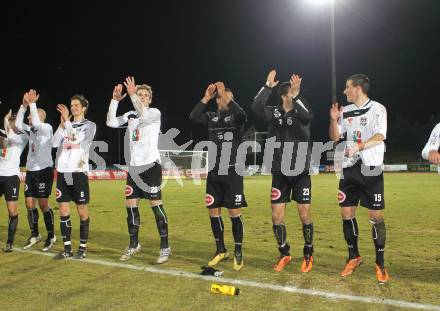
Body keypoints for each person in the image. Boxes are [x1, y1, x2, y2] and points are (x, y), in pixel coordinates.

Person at [329, 73, 389, 283]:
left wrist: (358, 147)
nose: (344, 91)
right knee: (346, 212)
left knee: (375, 216)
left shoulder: (378, 109)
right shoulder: (345, 111)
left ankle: (380, 262)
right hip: (349, 168)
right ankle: (354, 256)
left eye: (347, 87)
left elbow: (380, 136)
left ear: (358, 88)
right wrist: (334, 120)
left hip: (371, 168)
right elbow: (336, 138)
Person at [252, 70, 314, 273]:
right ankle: (284, 252)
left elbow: (308, 115)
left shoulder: (300, 111)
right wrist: (267, 86)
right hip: (279, 172)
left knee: (304, 214)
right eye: (291, 94)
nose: (294, 96)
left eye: (295, 94)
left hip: (300, 172)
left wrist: (297, 95)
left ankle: (308, 252)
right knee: (276, 216)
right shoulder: (275, 112)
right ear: (283, 96)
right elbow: (255, 107)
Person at [107, 77, 171, 264]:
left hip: (151, 166)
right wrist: (114, 101)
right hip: (134, 169)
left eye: (145, 95)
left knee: (155, 205)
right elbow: (111, 122)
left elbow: (143, 113)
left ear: (150, 99)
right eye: (140, 95)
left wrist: (133, 94)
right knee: (131, 207)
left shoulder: (154, 113)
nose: (142, 97)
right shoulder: (130, 115)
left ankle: (165, 246)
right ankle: (134, 244)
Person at [189, 82, 247, 271]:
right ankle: (220, 249)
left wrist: (226, 95)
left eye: (225, 96)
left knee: (234, 213)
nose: (221, 98)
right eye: (220, 97)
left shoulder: (236, 118)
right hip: (214, 172)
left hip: (232, 172)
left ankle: (238, 251)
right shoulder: (212, 117)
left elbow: (242, 115)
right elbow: (193, 116)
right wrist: (206, 96)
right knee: (213, 211)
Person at [52, 95, 96, 259]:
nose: (73, 107)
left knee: (82, 210)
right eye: (72, 105)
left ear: (84, 108)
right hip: (63, 172)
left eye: (77, 105)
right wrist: (62, 124)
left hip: (78, 172)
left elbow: (79, 141)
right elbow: (54, 143)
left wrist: (68, 123)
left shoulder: (90, 126)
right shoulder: (66, 125)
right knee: (63, 210)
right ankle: (67, 249)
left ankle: (82, 248)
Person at [15, 89, 56, 251]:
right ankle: (35, 234)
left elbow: (37, 123)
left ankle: (51, 235)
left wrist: (33, 104)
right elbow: (18, 124)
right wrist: (24, 106)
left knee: (43, 203)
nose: (28, 118)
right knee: (29, 203)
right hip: (31, 171)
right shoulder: (30, 129)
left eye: (30, 115)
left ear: (38, 116)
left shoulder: (46, 128)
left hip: (44, 171)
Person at [0, 109, 28, 252]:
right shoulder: (4, 132)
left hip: (11, 177)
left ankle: (9, 242)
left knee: (12, 210)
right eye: (11, 121)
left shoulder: (22, 137)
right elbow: (3, 142)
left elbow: (8, 140)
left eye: (15, 122)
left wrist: (5, 122)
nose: (13, 124)